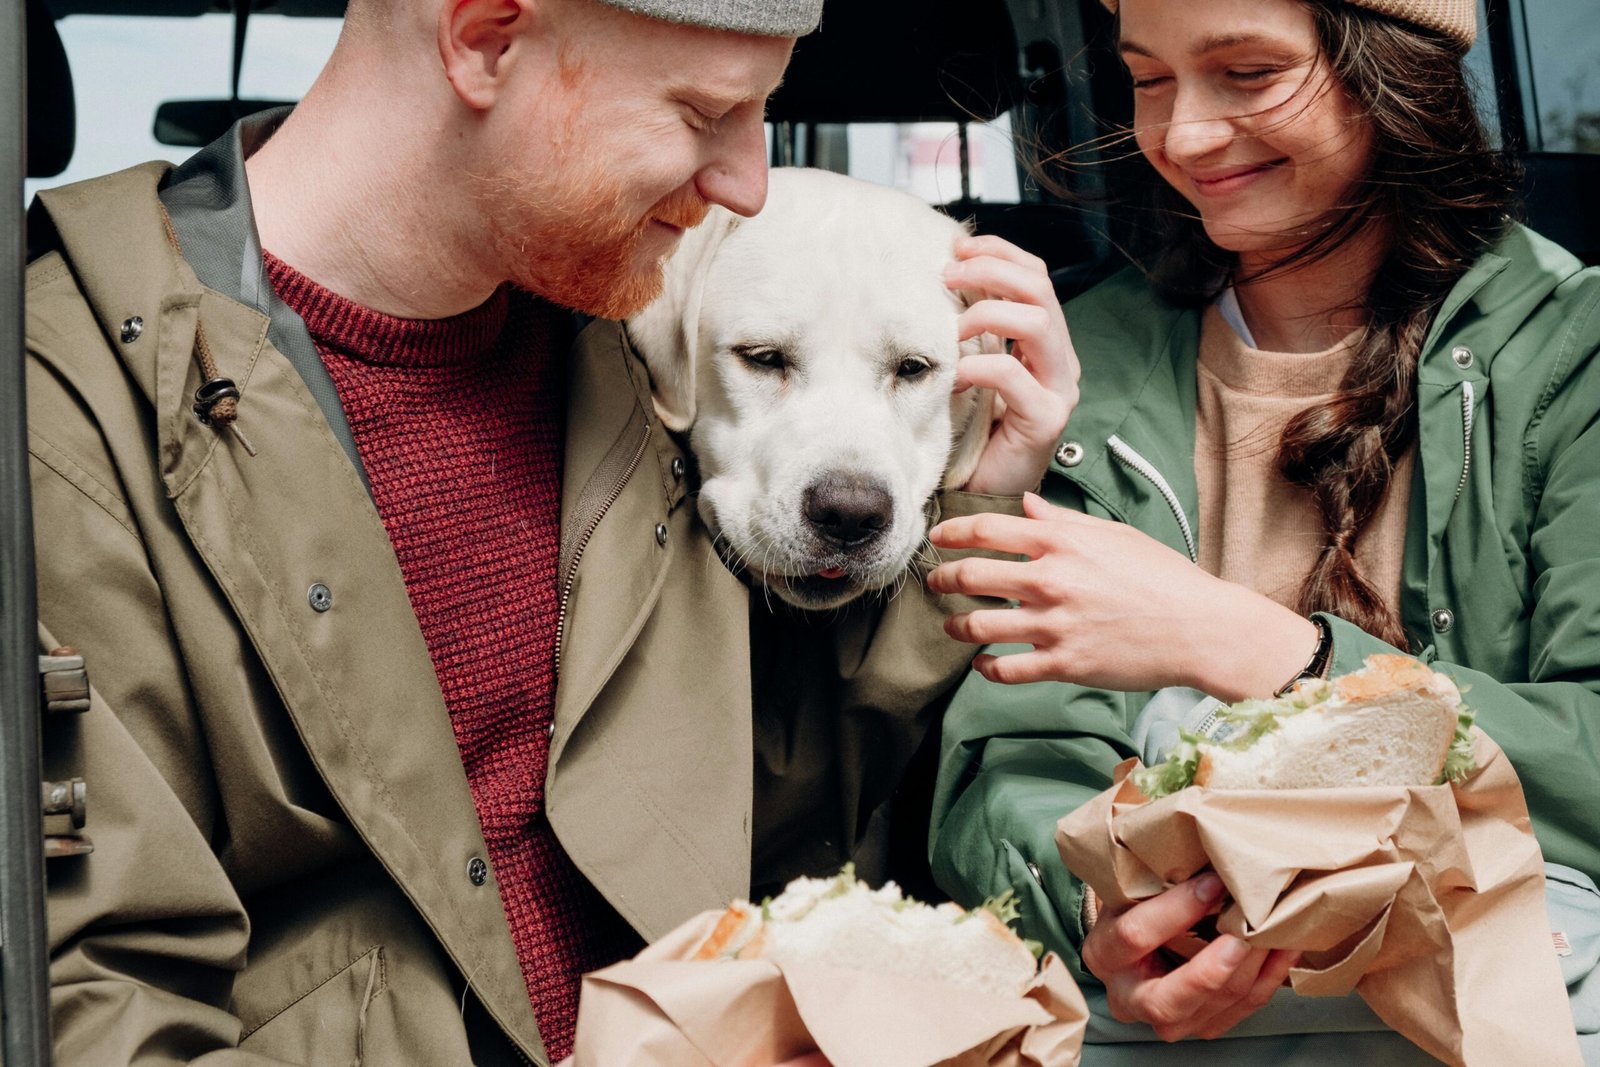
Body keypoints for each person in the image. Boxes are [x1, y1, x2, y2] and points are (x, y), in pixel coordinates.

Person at [23, 0, 1077, 1062]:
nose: (748, 185)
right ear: (486, 40)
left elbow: (751, 798)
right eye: (705, 112)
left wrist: (975, 499)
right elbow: (100, 1006)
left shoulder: (625, 346)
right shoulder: (59, 413)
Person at [923, 0, 1600, 1061]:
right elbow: (1004, 762)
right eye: (1148, 80)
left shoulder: (1576, 357)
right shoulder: (1068, 363)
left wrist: (1263, 650)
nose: (1183, 136)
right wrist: (1104, 915)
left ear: (1395, 80)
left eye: (1246, 73)